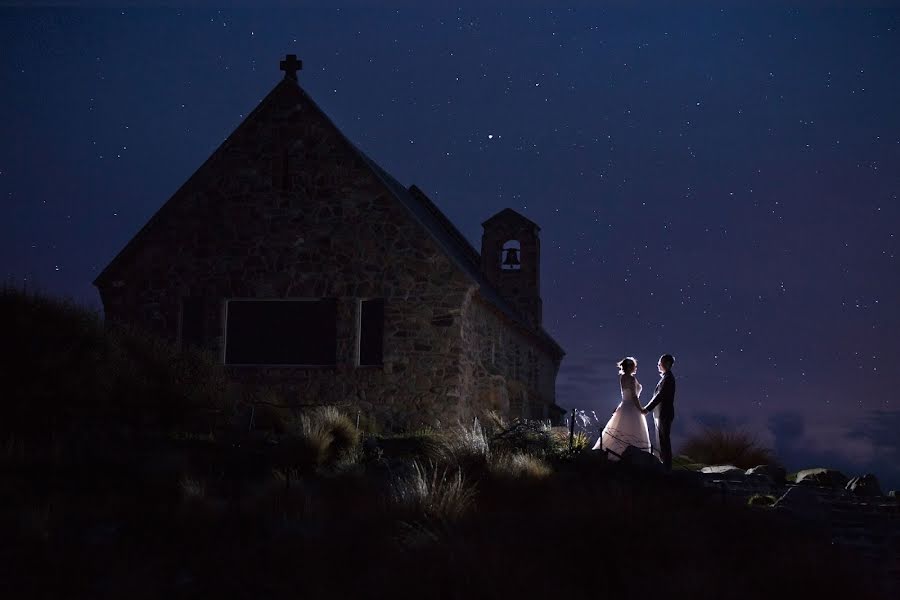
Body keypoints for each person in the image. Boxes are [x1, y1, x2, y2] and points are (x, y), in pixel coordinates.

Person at [592, 356, 652, 458]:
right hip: (632, 408)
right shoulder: (632, 379)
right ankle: (635, 457)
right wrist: (641, 409)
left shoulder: (622, 378)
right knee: (633, 431)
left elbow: (625, 395)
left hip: (624, 406)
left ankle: (618, 454)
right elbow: (634, 396)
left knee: (620, 431)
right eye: (634, 366)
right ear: (629, 367)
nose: (635, 368)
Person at [642, 354, 677, 470]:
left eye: (659, 363)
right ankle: (665, 466)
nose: (658, 365)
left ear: (666, 364)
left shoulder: (668, 379)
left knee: (664, 441)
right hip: (661, 414)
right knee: (662, 440)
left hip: (664, 414)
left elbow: (659, 396)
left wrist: (647, 409)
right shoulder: (666, 378)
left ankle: (667, 467)